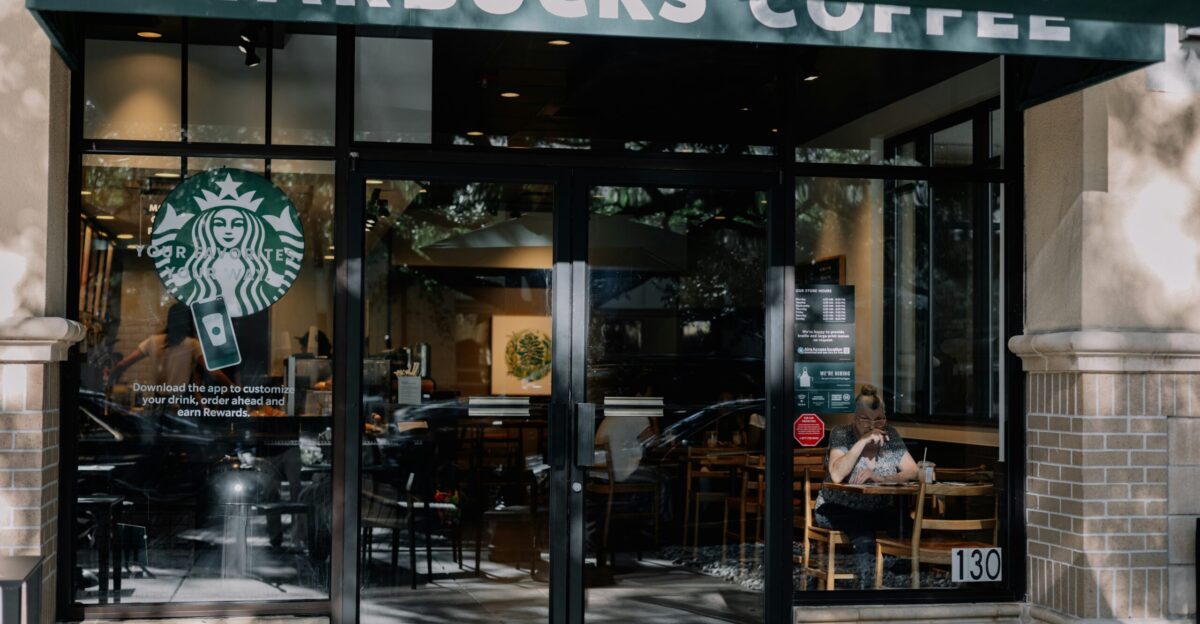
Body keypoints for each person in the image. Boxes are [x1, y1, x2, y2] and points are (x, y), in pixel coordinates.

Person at [814, 384, 918, 587]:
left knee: (906, 526)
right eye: (865, 420)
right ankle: (867, 585)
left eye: (878, 419)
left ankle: (902, 583)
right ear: (854, 418)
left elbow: (913, 470)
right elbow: (836, 475)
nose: (873, 425)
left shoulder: (891, 436)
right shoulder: (841, 434)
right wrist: (861, 442)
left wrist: (881, 478)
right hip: (837, 507)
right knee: (863, 533)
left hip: (876, 507)